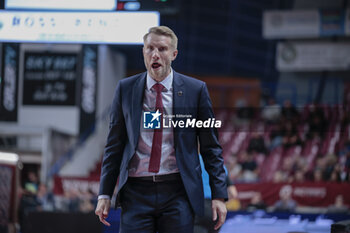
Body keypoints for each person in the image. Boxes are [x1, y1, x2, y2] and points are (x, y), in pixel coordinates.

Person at [95, 26, 228, 233]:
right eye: (150, 48)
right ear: (143, 52)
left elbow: (211, 148)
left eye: (162, 49)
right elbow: (114, 145)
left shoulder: (195, 91)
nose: (155, 54)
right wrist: (104, 194)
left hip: (178, 191)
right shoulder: (125, 89)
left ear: (174, 54)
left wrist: (219, 195)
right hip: (136, 192)